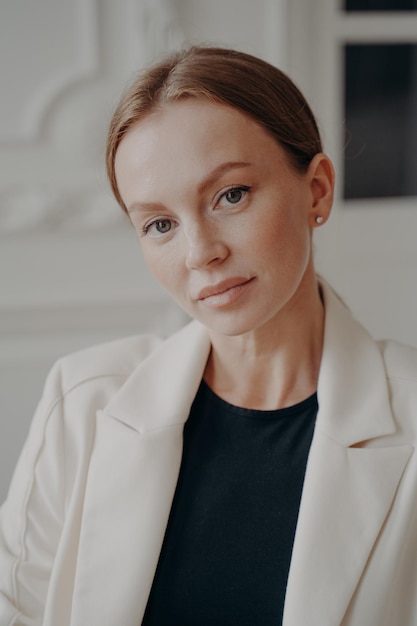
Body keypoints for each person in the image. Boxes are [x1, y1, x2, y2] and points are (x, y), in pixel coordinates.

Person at [1, 45, 416, 626]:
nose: (201, 253)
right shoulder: (81, 401)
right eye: (160, 224)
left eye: (231, 195)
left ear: (316, 189)